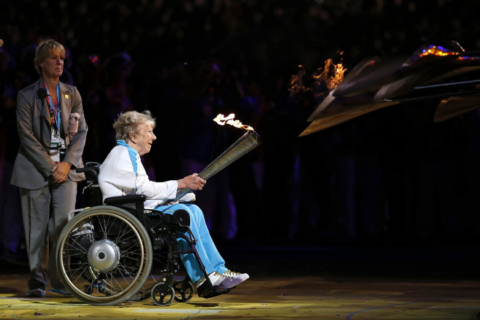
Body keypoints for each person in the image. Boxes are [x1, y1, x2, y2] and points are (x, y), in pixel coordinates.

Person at [98, 110, 249, 292]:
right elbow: (142, 190)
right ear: (132, 135)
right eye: (148, 131)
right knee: (183, 214)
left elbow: (141, 190)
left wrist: (179, 194)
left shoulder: (128, 154)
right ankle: (203, 275)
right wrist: (180, 184)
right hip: (130, 216)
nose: (153, 137)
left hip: (138, 209)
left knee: (194, 210)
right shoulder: (123, 153)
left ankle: (218, 270)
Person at [10, 39, 88, 297]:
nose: (59, 62)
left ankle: (60, 281)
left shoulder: (72, 93)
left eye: (62, 58)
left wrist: (66, 164)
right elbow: (26, 136)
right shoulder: (26, 95)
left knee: (62, 227)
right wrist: (50, 166)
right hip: (35, 169)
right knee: (36, 228)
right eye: (54, 58)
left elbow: (81, 132)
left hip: (66, 170)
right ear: (41, 62)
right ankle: (36, 282)